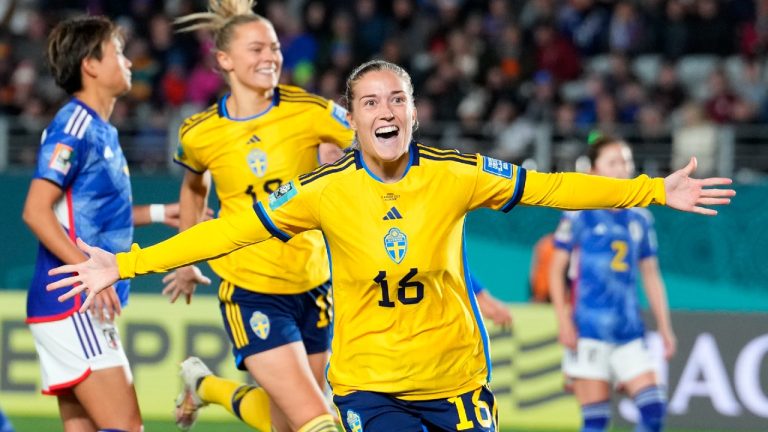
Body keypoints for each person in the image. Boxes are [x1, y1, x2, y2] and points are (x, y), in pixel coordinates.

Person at [48, 60, 734, 431]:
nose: (386, 111)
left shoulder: (455, 175)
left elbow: (554, 187)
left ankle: (211, 386)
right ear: (354, 120)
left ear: (413, 110)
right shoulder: (322, 190)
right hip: (371, 387)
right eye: (371, 101)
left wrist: (650, 190)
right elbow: (229, 227)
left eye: (397, 99)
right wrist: (128, 261)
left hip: (459, 382)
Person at [161, 1, 353, 431]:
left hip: (313, 282)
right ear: (225, 60)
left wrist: (344, 162)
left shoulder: (311, 112)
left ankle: (204, 386)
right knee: (317, 420)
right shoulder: (200, 133)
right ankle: (205, 385)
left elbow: (378, 147)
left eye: (274, 48)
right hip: (252, 290)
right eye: (257, 49)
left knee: (286, 423)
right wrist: (188, 259)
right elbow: (194, 188)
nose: (271, 57)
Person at [21, 16, 181, 432]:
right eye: (118, 53)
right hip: (74, 302)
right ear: (90, 65)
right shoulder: (74, 124)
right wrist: (91, 271)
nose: (129, 62)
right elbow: (36, 210)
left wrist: (163, 214)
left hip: (69, 301)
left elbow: (93, 216)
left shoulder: (101, 130)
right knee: (128, 426)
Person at [548, 134, 676, 432]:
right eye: (613, 162)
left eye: (626, 162)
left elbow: (651, 275)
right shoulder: (578, 213)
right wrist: (563, 321)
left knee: (654, 411)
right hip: (588, 331)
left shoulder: (641, 219)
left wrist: (665, 327)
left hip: (629, 332)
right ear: (594, 171)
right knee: (596, 422)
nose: (621, 169)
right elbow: (555, 270)